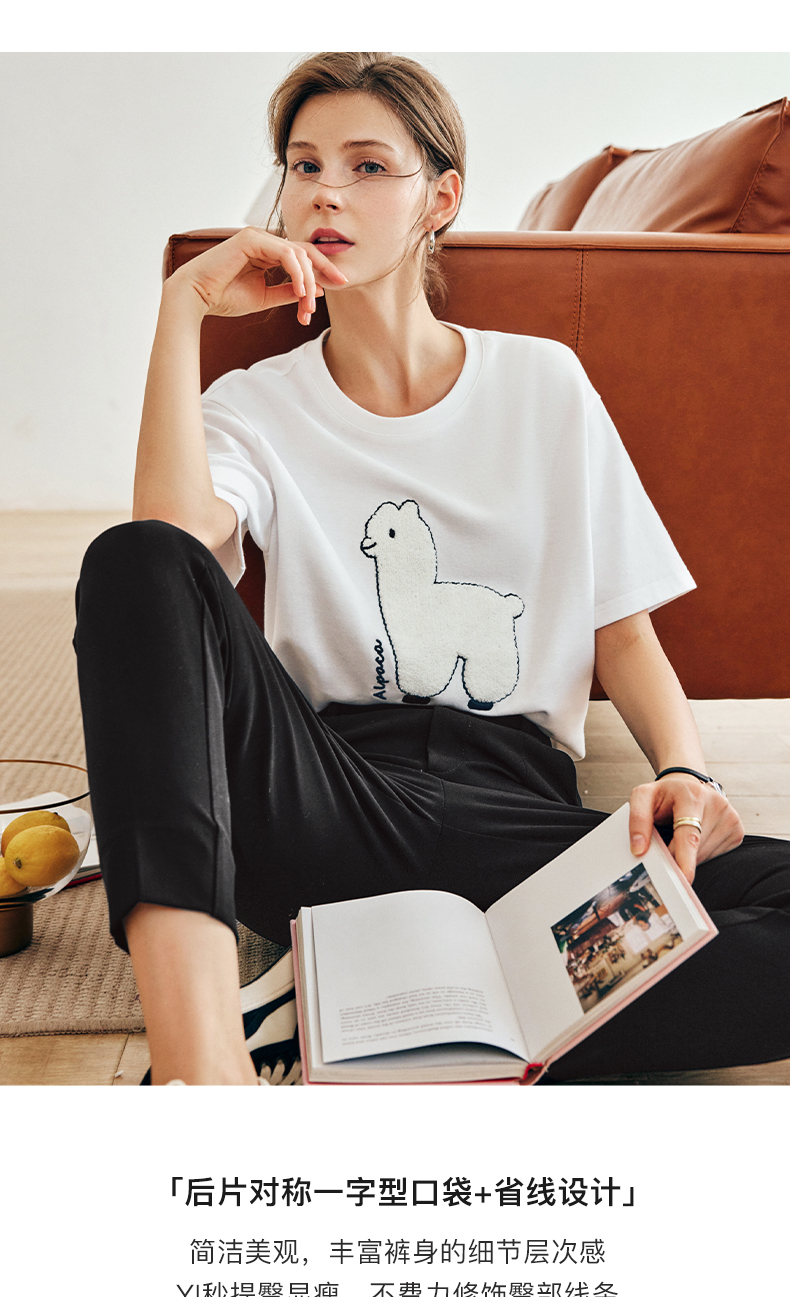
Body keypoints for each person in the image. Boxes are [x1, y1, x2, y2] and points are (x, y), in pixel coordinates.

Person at [73, 51, 790, 1085]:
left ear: (440, 199)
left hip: (516, 814)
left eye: (368, 165)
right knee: (132, 554)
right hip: (326, 800)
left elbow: (619, 627)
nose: (326, 191)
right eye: (305, 164)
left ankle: (365, 1017)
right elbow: (172, 552)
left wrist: (686, 772)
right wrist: (181, 308)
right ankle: (205, 1066)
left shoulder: (542, 383)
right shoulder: (254, 405)